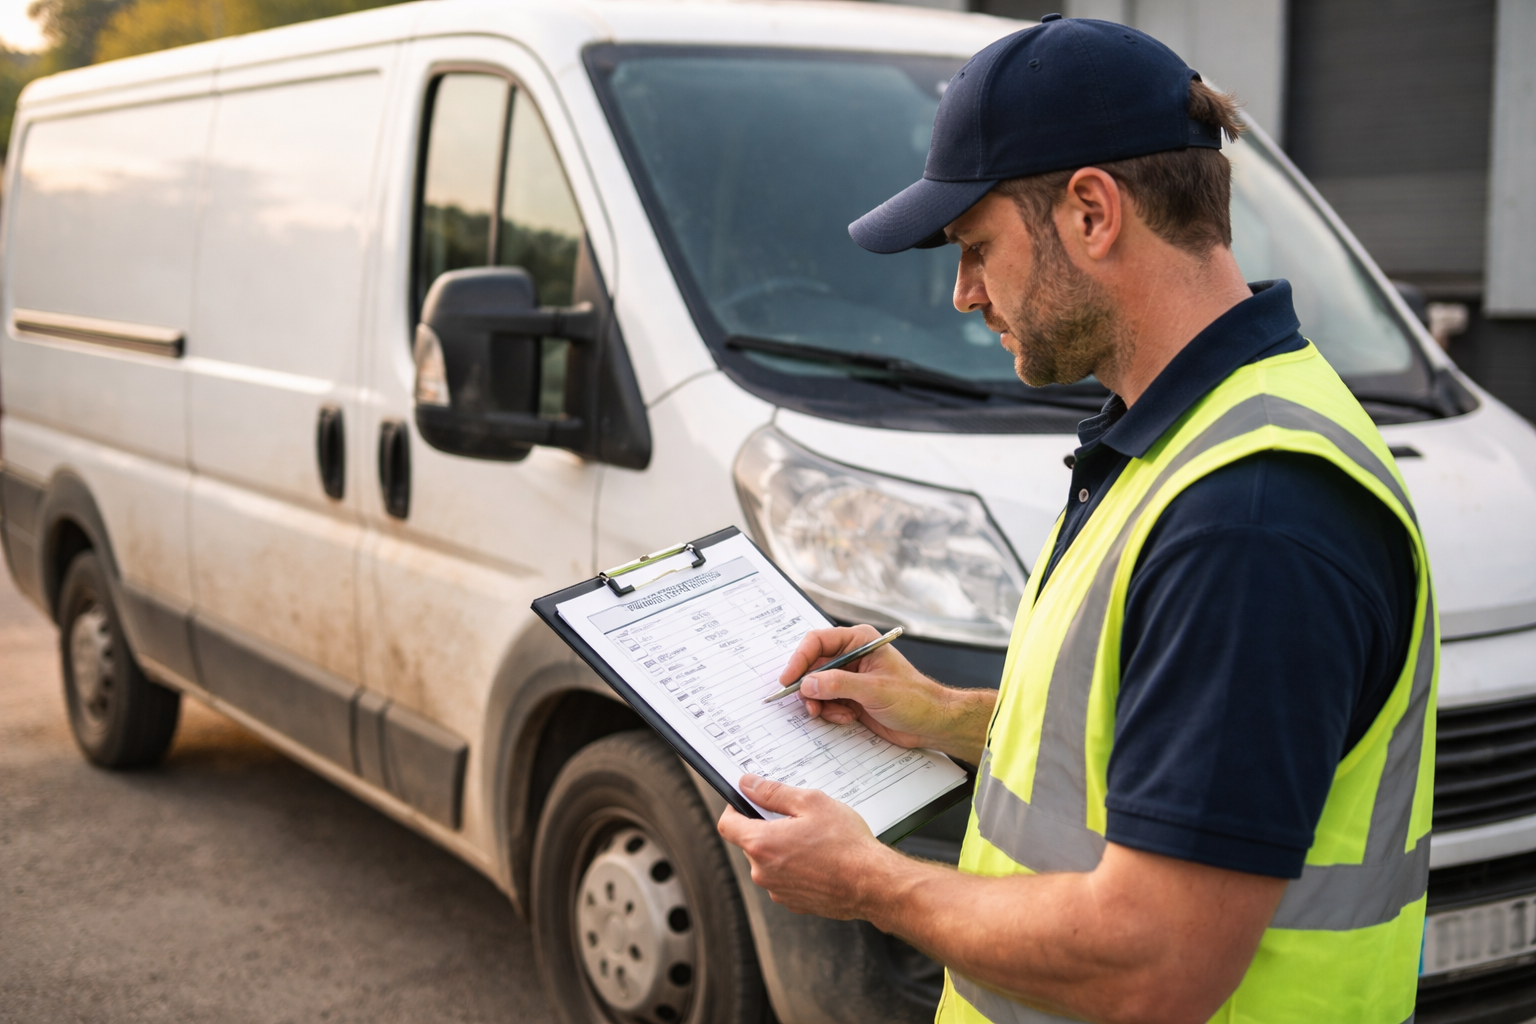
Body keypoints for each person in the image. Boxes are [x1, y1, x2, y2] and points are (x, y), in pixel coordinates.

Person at [716, 16, 1435, 1024]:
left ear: (1094, 211)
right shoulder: (1190, 441)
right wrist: (942, 715)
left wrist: (871, 881)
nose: (965, 292)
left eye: (977, 247)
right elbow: (1144, 743)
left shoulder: (1251, 515)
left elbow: (1155, 961)